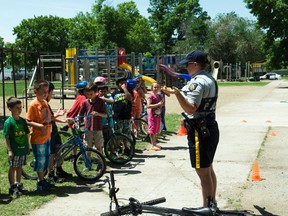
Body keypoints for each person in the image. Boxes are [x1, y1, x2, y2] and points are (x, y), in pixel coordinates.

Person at [167, 50, 219, 209]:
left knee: (203, 173)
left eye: (188, 65)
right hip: (209, 127)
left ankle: (206, 208)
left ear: (195, 64)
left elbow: (190, 108)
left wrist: (176, 94)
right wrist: (176, 92)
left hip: (199, 131)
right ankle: (211, 204)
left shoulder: (198, 82)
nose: (186, 68)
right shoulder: (209, 79)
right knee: (208, 169)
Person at [26, 80, 54, 191]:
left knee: (46, 159)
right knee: (40, 160)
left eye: (47, 92)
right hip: (38, 138)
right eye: (43, 92)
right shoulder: (33, 105)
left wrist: (58, 117)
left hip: (47, 136)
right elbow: (28, 121)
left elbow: (49, 117)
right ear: (35, 91)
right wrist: (41, 126)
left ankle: (43, 180)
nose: (45, 94)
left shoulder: (45, 103)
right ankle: (40, 182)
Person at [3, 97, 30, 196]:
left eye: (21, 107)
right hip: (14, 150)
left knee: (19, 167)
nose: (19, 109)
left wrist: (27, 146)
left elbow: (26, 134)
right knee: (13, 167)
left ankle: (18, 184)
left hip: (22, 149)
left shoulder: (22, 121)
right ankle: (12, 187)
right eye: (16, 107)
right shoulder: (8, 122)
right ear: (10, 108)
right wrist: (10, 150)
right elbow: (7, 137)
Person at [46, 82, 72, 182]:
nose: (52, 95)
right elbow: (49, 119)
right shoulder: (43, 105)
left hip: (54, 131)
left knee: (58, 150)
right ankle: (51, 174)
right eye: (51, 93)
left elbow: (52, 118)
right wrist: (58, 116)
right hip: (50, 132)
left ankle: (59, 170)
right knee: (52, 153)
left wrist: (63, 119)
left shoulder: (47, 105)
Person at [63, 80, 88, 160]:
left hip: (74, 119)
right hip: (74, 120)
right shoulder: (83, 98)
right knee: (77, 139)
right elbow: (82, 109)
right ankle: (73, 156)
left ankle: (74, 155)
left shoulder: (80, 96)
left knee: (76, 138)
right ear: (84, 90)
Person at [79, 82, 107, 152]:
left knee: (99, 146)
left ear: (96, 92)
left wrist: (98, 114)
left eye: (91, 94)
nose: (89, 96)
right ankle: (88, 161)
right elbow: (81, 114)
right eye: (87, 94)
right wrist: (79, 121)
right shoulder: (85, 102)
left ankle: (100, 161)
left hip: (98, 128)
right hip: (88, 128)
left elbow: (105, 114)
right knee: (88, 147)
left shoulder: (101, 102)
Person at [146, 82, 163, 151]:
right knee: (152, 130)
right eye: (154, 87)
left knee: (156, 130)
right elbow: (148, 106)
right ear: (152, 88)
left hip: (157, 116)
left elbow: (160, 104)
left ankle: (155, 144)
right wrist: (158, 104)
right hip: (152, 116)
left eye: (157, 87)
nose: (156, 88)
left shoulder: (158, 96)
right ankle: (152, 145)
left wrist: (161, 104)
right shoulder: (151, 96)